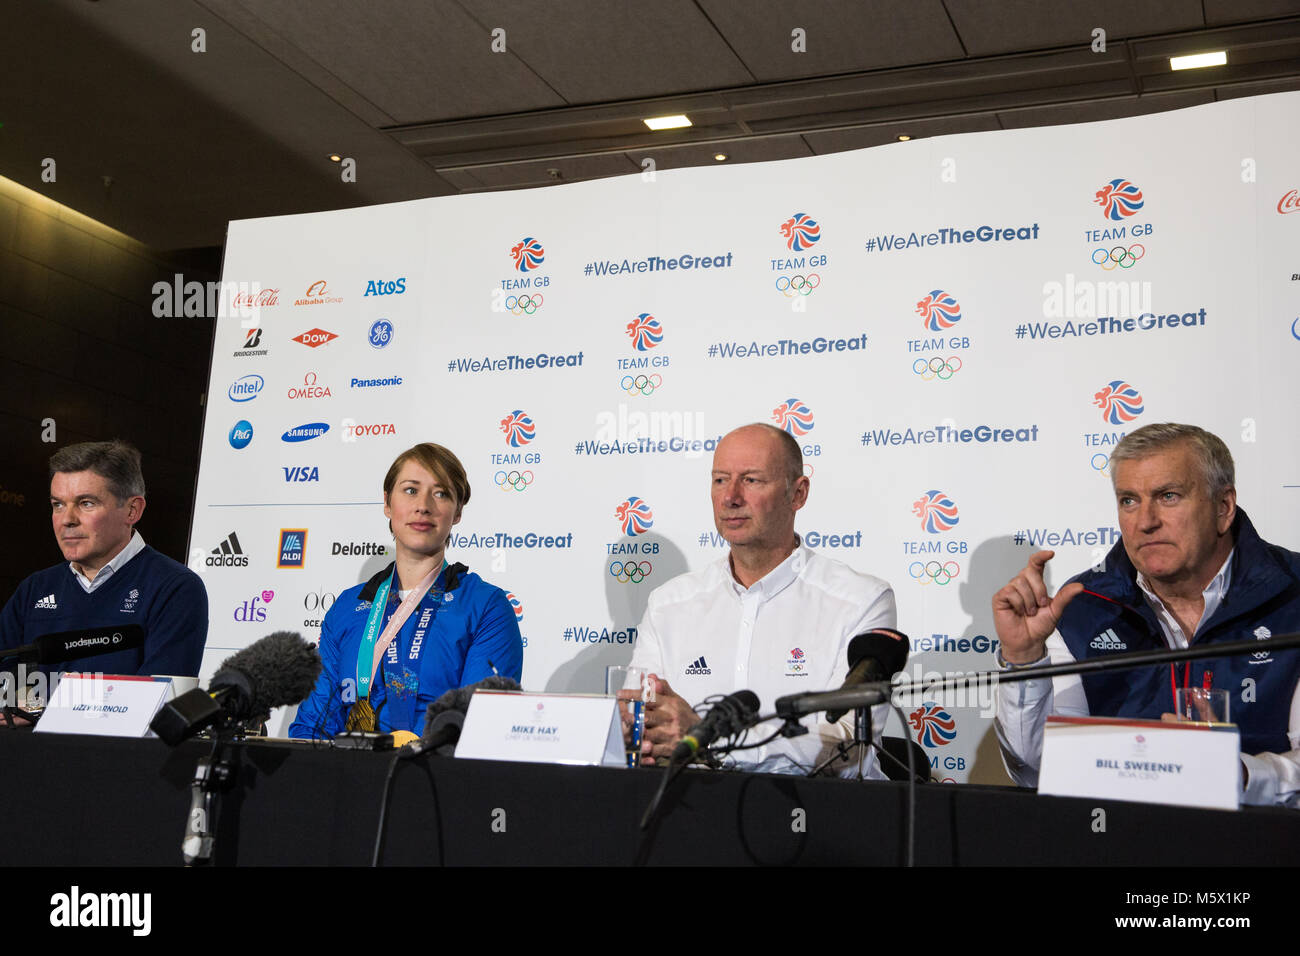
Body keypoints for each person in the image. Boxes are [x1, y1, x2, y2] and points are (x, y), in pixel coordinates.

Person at [993, 423, 1300, 806]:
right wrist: (1024, 660)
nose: (1145, 521)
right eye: (1129, 500)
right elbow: (1038, 771)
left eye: (1168, 496)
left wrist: (1237, 775)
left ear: (1223, 508)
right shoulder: (1081, 607)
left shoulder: (1293, 595)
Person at [628, 423, 897, 775]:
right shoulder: (668, 603)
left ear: (798, 494)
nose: (730, 497)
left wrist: (706, 738)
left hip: (816, 816)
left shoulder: (861, 600)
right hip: (690, 812)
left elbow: (847, 744)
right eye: (720, 480)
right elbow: (641, 724)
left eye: (751, 480)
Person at [289, 442, 523, 740]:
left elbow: (479, 730)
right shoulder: (348, 606)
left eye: (441, 493)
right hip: (347, 776)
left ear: (458, 512)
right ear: (387, 503)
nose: (423, 505)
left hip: (433, 779)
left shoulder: (486, 606)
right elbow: (312, 725)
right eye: (410, 490)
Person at [0, 440, 208, 689]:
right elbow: (6, 689)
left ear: (132, 510)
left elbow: (155, 704)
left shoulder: (175, 588)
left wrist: (39, 708)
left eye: (86, 503)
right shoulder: (34, 589)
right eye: (58, 505)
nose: (67, 520)